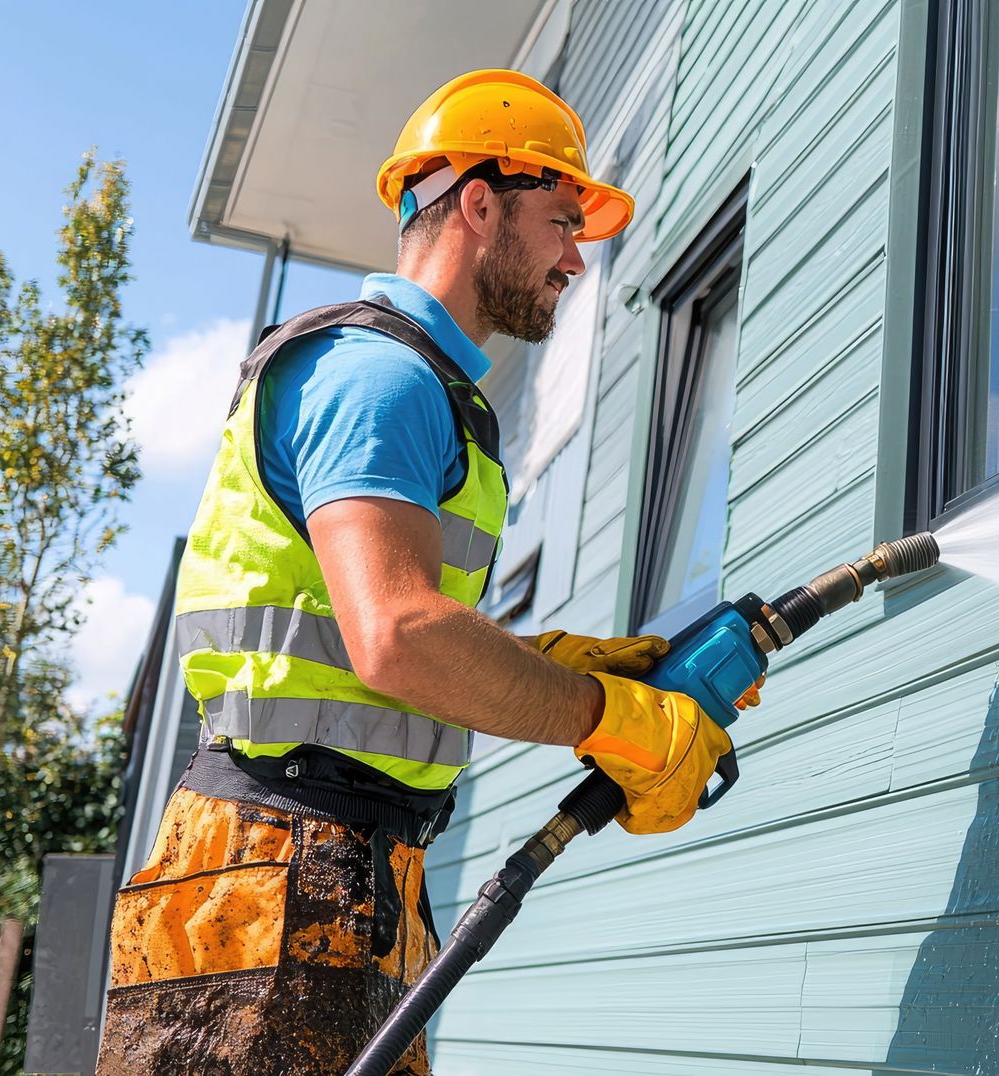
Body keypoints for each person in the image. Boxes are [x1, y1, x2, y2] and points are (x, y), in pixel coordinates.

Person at [95, 70, 738, 1076]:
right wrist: (607, 713)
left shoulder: (422, 388)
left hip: (331, 864)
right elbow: (396, 633)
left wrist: (543, 661)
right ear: (481, 203)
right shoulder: (376, 376)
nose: (578, 256)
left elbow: (380, 638)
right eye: (563, 219)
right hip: (275, 874)